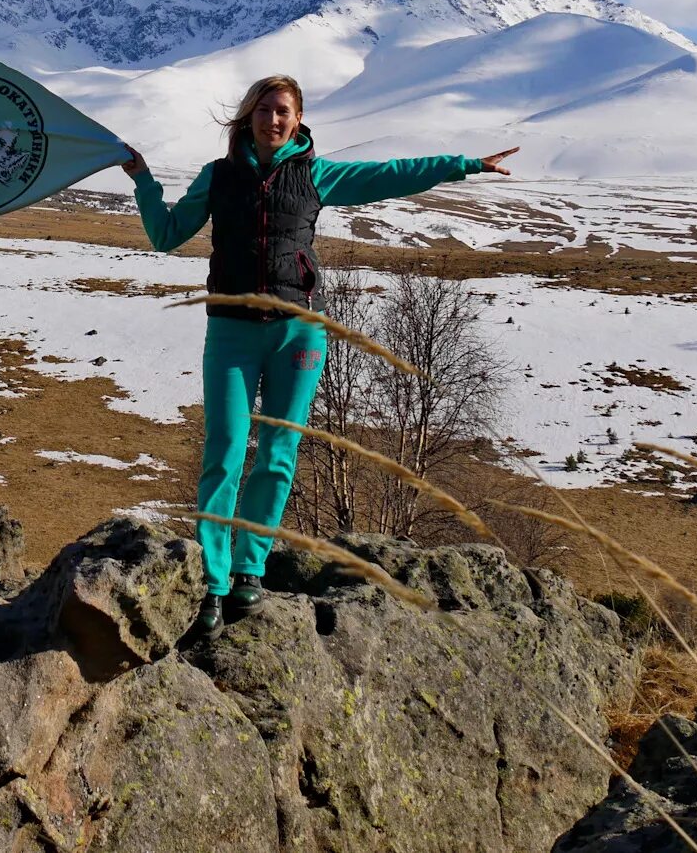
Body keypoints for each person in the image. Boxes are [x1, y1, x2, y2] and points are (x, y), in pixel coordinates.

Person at [123, 75, 515, 634]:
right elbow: (165, 234)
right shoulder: (220, 176)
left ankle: (249, 570)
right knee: (226, 451)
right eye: (264, 110)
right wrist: (144, 181)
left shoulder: (316, 174)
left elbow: (390, 176)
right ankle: (211, 582)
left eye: (283, 111)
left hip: (300, 333)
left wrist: (465, 164)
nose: (273, 120)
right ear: (248, 116)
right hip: (232, 331)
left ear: (298, 119)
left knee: (279, 453)